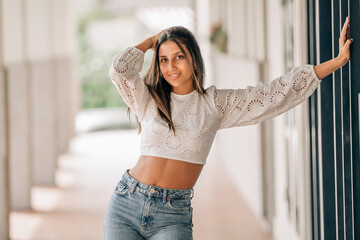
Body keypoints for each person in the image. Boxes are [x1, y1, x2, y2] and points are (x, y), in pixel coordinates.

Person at [104, 17, 353, 239]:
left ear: (193, 58)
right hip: (127, 201)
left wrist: (337, 61)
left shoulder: (215, 104)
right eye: (163, 60)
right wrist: (151, 41)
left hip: (172, 214)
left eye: (178, 57)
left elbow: (274, 94)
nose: (171, 67)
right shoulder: (148, 99)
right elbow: (119, 69)